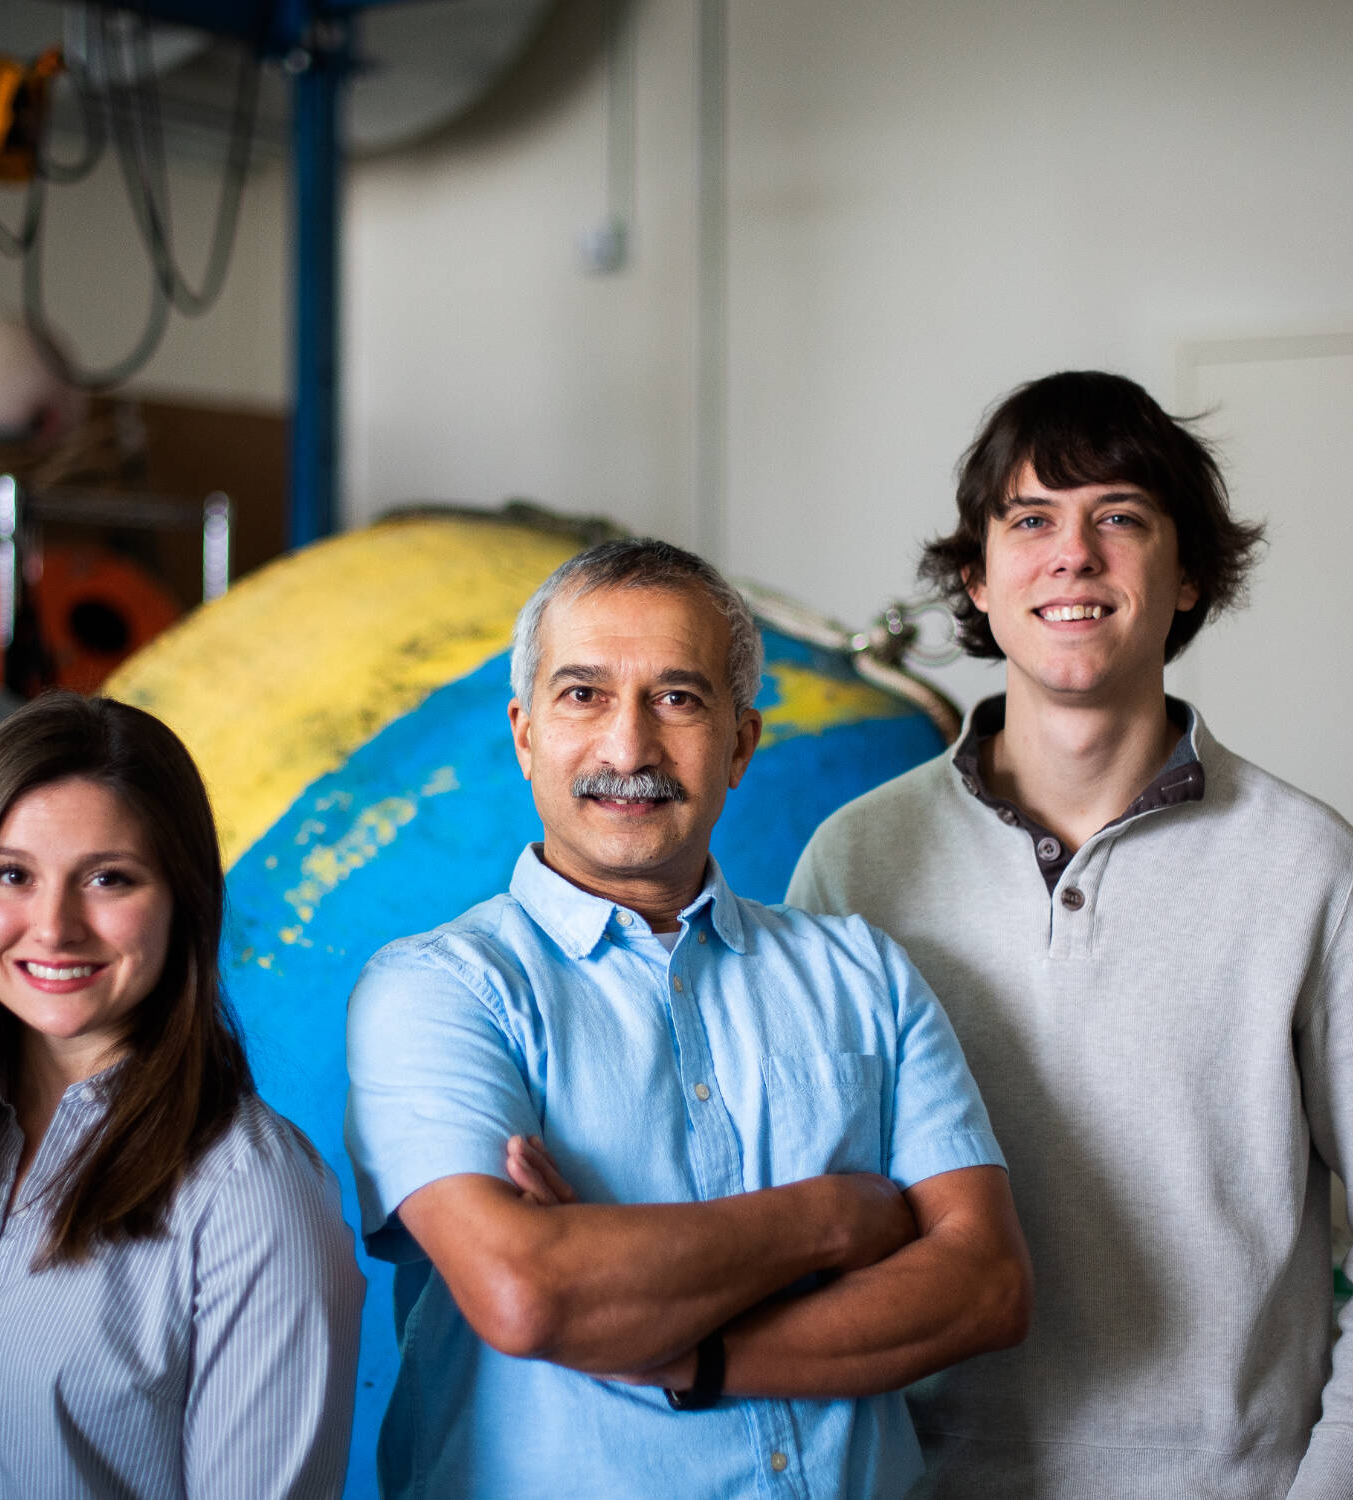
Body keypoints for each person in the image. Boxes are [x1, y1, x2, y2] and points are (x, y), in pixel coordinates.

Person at [789, 371, 1353, 1498]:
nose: (1073, 555)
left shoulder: (1308, 867)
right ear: (976, 573)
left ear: (1188, 571)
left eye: (1118, 517)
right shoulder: (856, 861)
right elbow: (792, 1193)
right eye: (1029, 521)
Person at [344, 538, 1032, 1499]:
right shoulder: (438, 991)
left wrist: (676, 1349)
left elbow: (985, 1288)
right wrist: (833, 1218)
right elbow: (524, 1292)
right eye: (582, 695)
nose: (628, 748)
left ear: (741, 744)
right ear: (524, 733)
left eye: (678, 698)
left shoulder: (864, 974)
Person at [0, 693, 363, 1500]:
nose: (53, 926)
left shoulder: (252, 1199)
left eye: (108, 879)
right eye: (12, 874)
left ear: (181, 903)